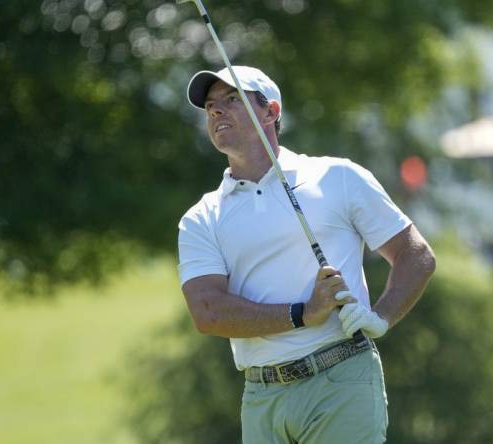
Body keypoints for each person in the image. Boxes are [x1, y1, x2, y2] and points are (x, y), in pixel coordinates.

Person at [178, 65, 436, 443]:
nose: (217, 110)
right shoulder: (201, 217)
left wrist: (382, 316)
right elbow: (208, 312)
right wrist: (302, 314)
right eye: (211, 106)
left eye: (232, 99)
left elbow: (416, 255)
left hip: (341, 378)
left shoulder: (337, 177)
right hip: (261, 396)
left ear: (271, 111)